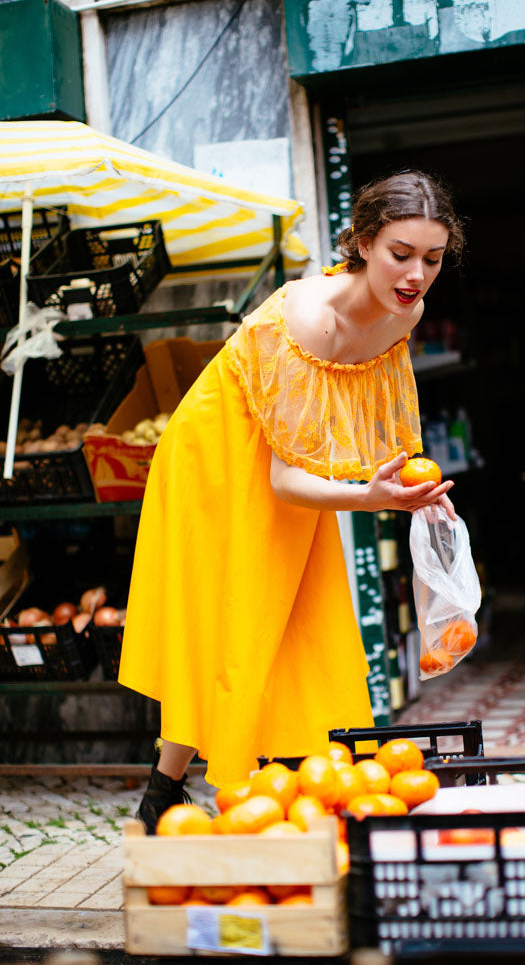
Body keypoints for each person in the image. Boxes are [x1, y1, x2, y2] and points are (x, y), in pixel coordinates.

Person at [117, 170, 465, 832]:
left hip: (293, 465)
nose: (415, 274)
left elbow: (364, 419)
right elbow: (283, 478)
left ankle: (185, 792)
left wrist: (409, 494)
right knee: (236, 620)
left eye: (432, 258)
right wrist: (367, 496)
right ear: (362, 243)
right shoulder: (310, 319)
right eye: (400, 254)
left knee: (289, 619)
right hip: (216, 462)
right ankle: (195, 791)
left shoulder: (405, 311)